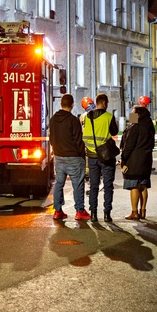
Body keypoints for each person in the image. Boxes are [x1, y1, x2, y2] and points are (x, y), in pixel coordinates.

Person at [48, 93, 89, 221]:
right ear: (72, 105)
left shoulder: (53, 119)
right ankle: (80, 211)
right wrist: (82, 156)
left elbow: (51, 138)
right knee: (77, 184)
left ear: (61, 104)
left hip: (59, 156)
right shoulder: (73, 120)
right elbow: (78, 140)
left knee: (59, 183)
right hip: (74, 157)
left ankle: (58, 211)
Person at [83, 93, 119, 222]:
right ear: (104, 103)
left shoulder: (88, 116)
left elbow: (86, 135)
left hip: (92, 155)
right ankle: (107, 214)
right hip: (106, 156)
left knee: (93, 186)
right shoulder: (109, 116)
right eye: (107, 103)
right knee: (108, 185)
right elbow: (115, 132)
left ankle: (93, 214)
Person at [120, 104, 155, 220]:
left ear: (138, 114)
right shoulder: (149, 125)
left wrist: (123, 159)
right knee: (143, 185)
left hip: (134, 160)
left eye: (133, 113)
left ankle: (134, 212)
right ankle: (143, 210)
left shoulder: (135, 126)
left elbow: (129, 145)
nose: (131, 115)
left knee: (134, 185)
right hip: (146, 159)